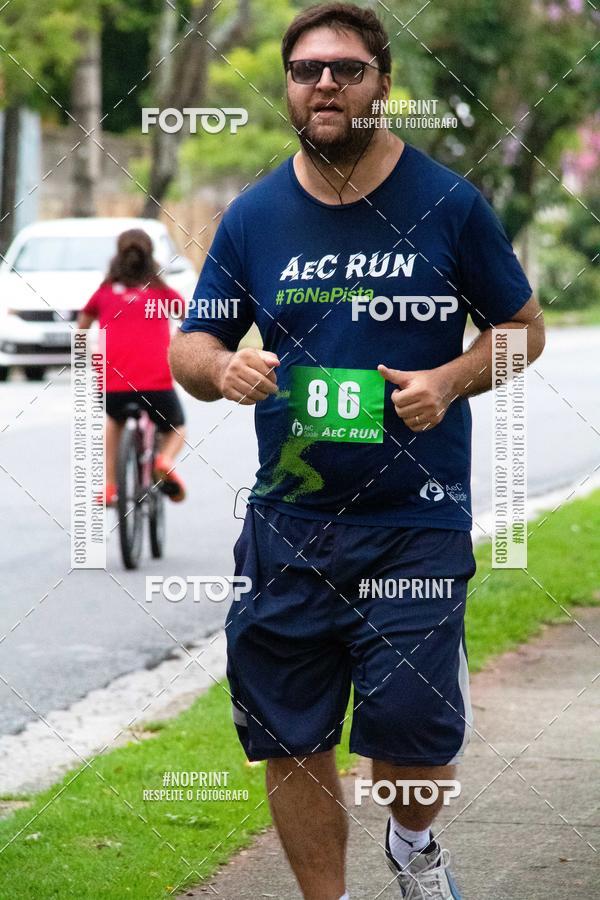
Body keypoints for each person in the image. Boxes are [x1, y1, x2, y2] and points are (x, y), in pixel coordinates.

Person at [170, 4, 545, 898]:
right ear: (289, 88)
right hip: (290, 524)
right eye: (306, 71)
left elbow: (524, 331)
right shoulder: (255, 216)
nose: (325, 85)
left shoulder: (448, 204)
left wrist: (448, 380)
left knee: (409, 738)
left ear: (382, 83)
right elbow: (191, 345)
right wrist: (222, 368)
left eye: (346, 69)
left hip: (415, 522)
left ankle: (414, 846)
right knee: (290, 736)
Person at [78, 228, 187, 506]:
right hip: (157, 385)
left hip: (113, 385)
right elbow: (191, 320)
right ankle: (164, 460)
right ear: (150, 258)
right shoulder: (162, 293)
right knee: (177, 427)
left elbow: (82, 327)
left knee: (113, 421)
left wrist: (91, 353)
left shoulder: (104, 293)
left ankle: (110, 487)